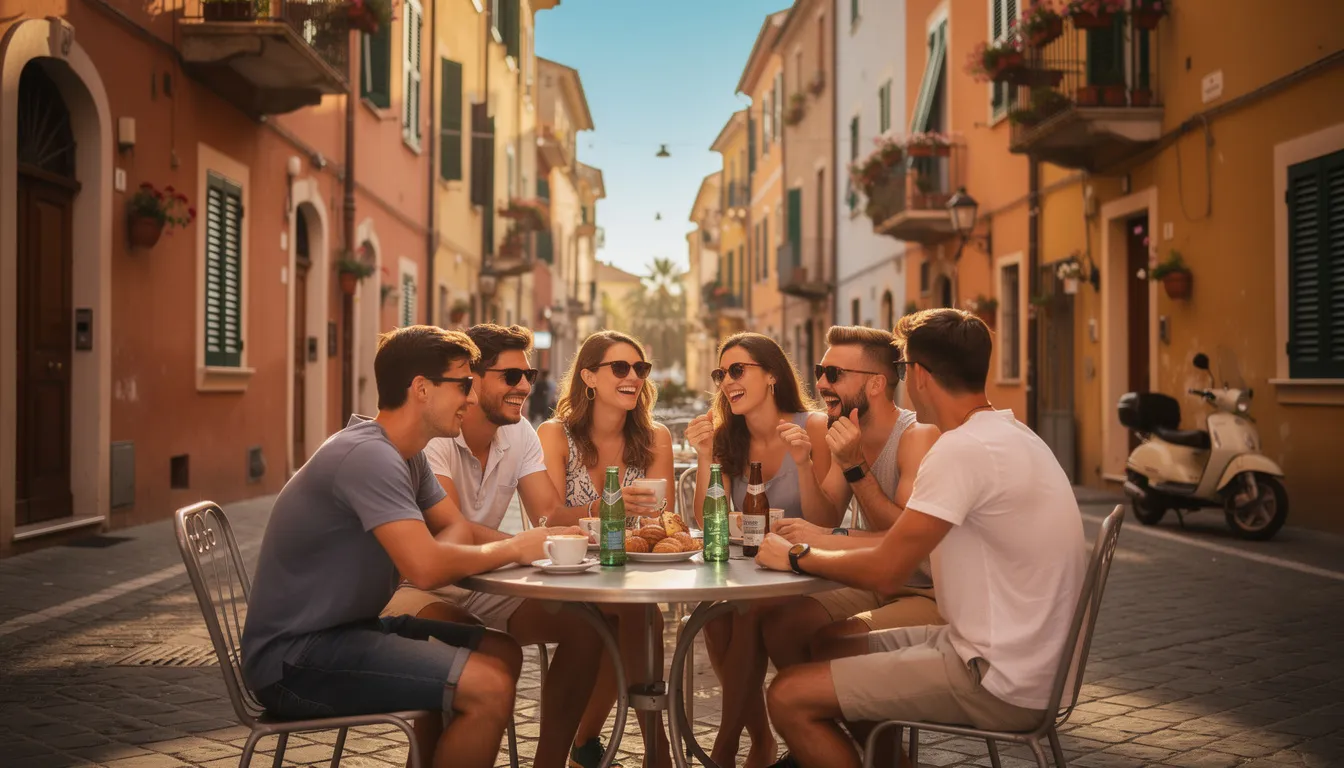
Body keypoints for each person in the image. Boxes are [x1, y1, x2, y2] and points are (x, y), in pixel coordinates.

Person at [755, 309, 1088, 768]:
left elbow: (888, 569)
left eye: (904, 368)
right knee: (828, 646)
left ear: (920, 375)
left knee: (789, 696)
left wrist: (797, 556)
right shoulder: (1012, 435)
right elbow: (893, 547)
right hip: (1019, 657)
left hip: (999, 676)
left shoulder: (961, 450)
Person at [240, 325, 580, 768]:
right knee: (488, 686)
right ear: (421, 389)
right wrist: (518, 547)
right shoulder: (369, 457)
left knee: (501, 651)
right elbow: (425, 568)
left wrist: (444, 550)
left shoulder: (408, 454)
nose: (472, 398)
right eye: (462, 385)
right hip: (296, 659)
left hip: (347, 632)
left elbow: (453, 529)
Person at [380, 325, 605, 768]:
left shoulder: (519, 432)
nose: (524, 387)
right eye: (511, 376)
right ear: (471, 378)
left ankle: (550, 763)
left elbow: (548, 513)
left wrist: (612, 507)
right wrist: (521, 546)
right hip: (417, 583)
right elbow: (454, 528)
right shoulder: (435, 432)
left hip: (481, 578)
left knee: (587, 626)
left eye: (529, 375)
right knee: (471, 648)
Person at [681, 332, 835, 768]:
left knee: (744, 613)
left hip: (810, 568)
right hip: (752, 569)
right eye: (720, 373)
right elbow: (705, 521)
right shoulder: (730, 437)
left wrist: (803, 463)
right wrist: (707, 455)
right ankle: (758, 740)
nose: (727, 381)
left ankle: (726, 748)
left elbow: (827, 519)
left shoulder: (814, 427)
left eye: (737, 370)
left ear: (771, 375)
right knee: (713, 618)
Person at [759, 325, 942, 674]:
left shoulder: (916, 436)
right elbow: (826, 516)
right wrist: (803, 463)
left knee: (836, 641)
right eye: (819, 372)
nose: (822, 384)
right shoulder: (843, 433)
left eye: (834, 374)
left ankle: (837, 716)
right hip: (873, 580)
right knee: (782, 623)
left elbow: (906, 541)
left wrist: (854, 468)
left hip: (925, 591)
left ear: (875, 384)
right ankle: (814, 714)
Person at [537, 330, 677, 768]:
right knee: (639, 616)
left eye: (640, 368)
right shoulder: (555, 434)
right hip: (569, 573)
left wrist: (660, 520)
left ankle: (586, 746)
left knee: (631, 615)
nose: (633, 376)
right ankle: (658, 754)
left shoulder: (655, 437)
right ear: (589, 377)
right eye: (620, 367)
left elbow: (661, 520)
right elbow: (547, 515)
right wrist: (606, 504)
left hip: (630, 572)